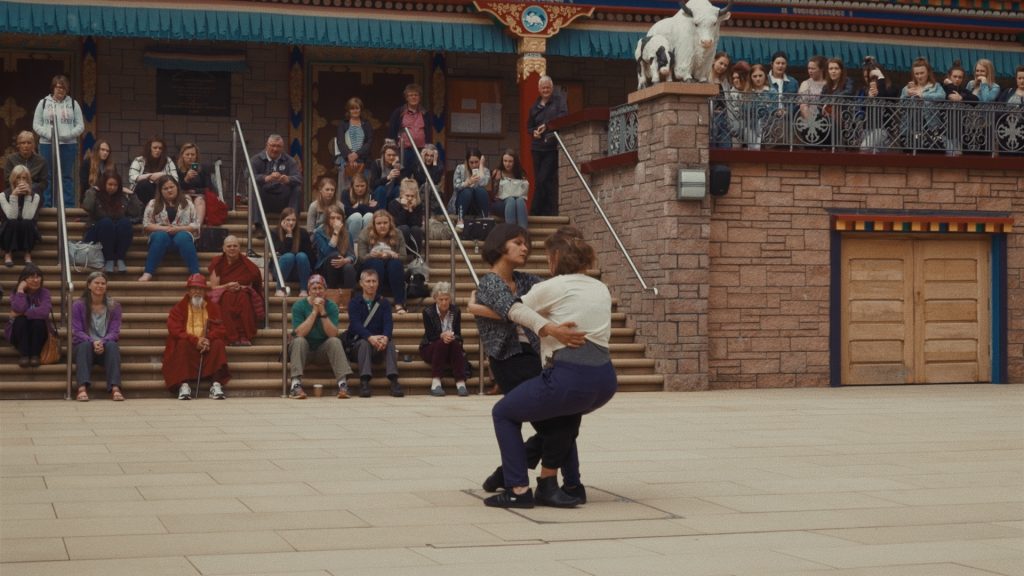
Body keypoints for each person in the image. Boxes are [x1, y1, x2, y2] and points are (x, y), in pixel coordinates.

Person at [482, 226, 615, 509]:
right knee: (564, 420)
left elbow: (513, 309)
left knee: (503, 413)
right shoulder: (601, 288)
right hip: (604, 380)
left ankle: (518, 489)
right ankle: (570, 485)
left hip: (570, 376)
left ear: (555, 258)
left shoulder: (550, 287)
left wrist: (473, 307)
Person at [163, 273, 229, 400]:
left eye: (200, 289)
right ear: (188, 291)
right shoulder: (178, 308)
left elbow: (221, 328)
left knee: (219, 343)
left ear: (205, 291)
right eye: (194, 288)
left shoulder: (213, 308)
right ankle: (184, 385)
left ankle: (216, 384)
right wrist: (195, 340)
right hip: (188, 345)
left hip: (206, 345)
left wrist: (207, 340)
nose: (197, 292)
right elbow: (174, 330)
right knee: (181, 343)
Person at [287, 274, 354, 399]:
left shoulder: (332, 306)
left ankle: (343, 384)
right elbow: (299, 333)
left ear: (325, 291)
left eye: (320, 288)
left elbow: (333, 334)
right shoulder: (299, 306)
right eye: (314, 288)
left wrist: (322, 312)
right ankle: (295, 385)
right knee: (299, 341)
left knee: (335, 341)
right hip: (303, 351)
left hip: (323, 351)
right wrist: (314, 312)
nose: (317, 292)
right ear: (309, 291)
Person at [347, 269, 403, 398]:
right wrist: (369, 337)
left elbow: (388, 323)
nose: (371, 284)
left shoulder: (384, 303)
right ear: (361, 284)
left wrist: (385, 337)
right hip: (359, 345)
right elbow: (355, 325)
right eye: (368, 281)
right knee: (364, 343)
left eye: (374, 281)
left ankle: (394, 381)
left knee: (389, 343)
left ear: (378, 283)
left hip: (379, 345)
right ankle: (364, 381)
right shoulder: (354, 303)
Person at [71, 271, 124, 402]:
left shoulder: (114, 306)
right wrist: (92, 342)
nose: (100, 286)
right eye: (96, 283)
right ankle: (82, 388)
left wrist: (103, 342)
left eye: (103, 283)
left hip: (104, 347)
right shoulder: (78, 305)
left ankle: (115, 388)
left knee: (112, 345)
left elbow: (114, 331)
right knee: (84, 345)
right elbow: (76, 331)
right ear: (89, 285)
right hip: (84, 347)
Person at [32, 74, 83, 208]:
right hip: (47, 144)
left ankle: (68, 206)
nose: (60, 90)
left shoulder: (73, 104)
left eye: (63, 88)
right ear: (53, 88)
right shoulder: (43, 103)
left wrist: (68, 135)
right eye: (58, 87)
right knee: (47, 175)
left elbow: (80, 126)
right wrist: (49, 134)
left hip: (68, 145)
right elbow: (36, 125)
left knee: (66, 176)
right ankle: (47, 205)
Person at [139, 175, 200, 282]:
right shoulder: (153, 203)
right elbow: (146, 225)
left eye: (171, 187)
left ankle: (196, 274)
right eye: (165, 188)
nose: (169, 190)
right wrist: (165, 229)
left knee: (183, 236)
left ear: (177, 187)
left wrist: (178, 229)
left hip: (182, 236)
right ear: (160, 191)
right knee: (160, 236)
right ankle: (148, 273)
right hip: (161, 237)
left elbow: (195, 225)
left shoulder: (188, 203)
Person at [81, 170, 141, 274]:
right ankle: (109, 259)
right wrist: (92, 191)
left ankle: (120, 258)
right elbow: (87, 207)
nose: (112, 187)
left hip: (116, 234)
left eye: (115, 185)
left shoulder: (121, 197)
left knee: (125, 223)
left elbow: (135, 212)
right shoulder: (95, 194)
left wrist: (132, 194)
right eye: (110, 184)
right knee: (106, 223)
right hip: (97, 233)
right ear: (104, 183)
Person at [208, 235, 262, 346]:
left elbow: (255, 280)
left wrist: (241, 287)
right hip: (224, 293)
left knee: (243, 297)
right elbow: (213, 287)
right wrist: (227, 286)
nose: (232, 248)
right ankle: (231, 336)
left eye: (235, 246)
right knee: (228, 297)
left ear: (239, 248)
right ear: (223, 248)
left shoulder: (247, 264)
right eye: (229, 246)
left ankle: (244, 335)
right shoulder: (217, 262)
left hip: (242, 292)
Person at [527, 75, 567, 216]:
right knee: (542, 181)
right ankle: (549, 211)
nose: (546, 90)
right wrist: (534, 133)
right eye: (543, 88)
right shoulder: (534, 107)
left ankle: (535, 210)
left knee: (544, 178)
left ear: (552, 88)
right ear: (539, 89)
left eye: (548, 87)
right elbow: (529, 127)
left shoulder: (559, 101)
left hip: (551, 146)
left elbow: (563, 117)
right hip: (537, 148)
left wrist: (547, 125)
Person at [419, 281, 468, 397]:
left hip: (451, 348)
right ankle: (436, 382)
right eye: (441, 299)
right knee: (441, 343)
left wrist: (452, 337)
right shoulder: (428, 312)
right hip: (430, 348)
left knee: (455, 343)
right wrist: (442, 335)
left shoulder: (456, 311)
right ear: (435, 298)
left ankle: (460, 382)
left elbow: (459, 334)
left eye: (446, 299)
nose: (444, 302)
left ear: (450, 298)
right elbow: (430, 336)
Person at [356, 210, 408, 315]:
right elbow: (361, 258)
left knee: (396, 263)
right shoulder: (365, 233)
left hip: (391, 267)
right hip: (371, 265)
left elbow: (404, 257)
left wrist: (392, 254)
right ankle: (376, 301)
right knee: (377, 263)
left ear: (390, 223)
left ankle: (399, 303)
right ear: (374, 225)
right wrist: (371, 255)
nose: (382, 226)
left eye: (385, 223)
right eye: (379, 223)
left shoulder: (397, 233)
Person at [250, 134, 302, 229]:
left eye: (278, 146)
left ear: (282, 148)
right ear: (267, 145)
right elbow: (248, 176)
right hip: (264, 200)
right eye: (272, 145)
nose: (275, 149)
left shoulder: (290, 160)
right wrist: (266, 178)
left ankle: (291, 223)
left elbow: (299, 178)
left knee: (297, 188)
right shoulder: (256, 160)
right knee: (254, 186)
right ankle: (258, 226)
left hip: (283, 201)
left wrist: (288, 179)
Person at [5, 263, 51, 368]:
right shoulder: (16, 293)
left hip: (39, 334)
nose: (36, 280)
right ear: (24, 279)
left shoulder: (45, 293)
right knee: (20, 321)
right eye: (31, 277)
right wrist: (21, 290)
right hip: (19, 335)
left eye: (38, 276)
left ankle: (35, 355)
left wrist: (23, 313)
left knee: (38, 322)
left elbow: (44, 312)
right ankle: (24, 355)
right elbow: (18, 308)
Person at [312, 205, 358, 308]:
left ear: (342, 220)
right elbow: (327, 252)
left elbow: (352, 256)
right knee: (334, 256)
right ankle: (331, 297)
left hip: (342, 266)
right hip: (325, 267)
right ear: (327, 220)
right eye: (332, 218)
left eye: (338, 218)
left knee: (349, 268)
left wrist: (346, 260)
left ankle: (350, 301)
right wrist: (336, 233)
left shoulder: (347, 234)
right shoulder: (319, 233)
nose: (335, 221)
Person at [901, 57, 946, 152]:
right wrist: (906, 95)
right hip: (911, 125)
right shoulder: (907, 88)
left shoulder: (935, 86)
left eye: (922, 73)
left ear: (928, 73)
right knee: (911, 153)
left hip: (931, 125)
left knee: (934, 152)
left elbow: (942, 96)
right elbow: (901, 106)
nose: (919, 76)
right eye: (916, 74)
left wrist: (923, 95)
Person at [1, 165, 42, 268]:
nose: (21, 181)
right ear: (13, 179)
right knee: (12, 221)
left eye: (24, 178)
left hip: (27, 229)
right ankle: (8, 253)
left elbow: (28, 216)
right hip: (9, 230)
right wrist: (14, 196)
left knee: (27, 222)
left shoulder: (35, 196)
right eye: (18, 178)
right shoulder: (3, 196)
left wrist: (28, 196)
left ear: (28, 180)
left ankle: (27, 254)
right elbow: (11, 216)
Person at [857, 56, 900, 153]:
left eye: (873, 77)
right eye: (866, 77)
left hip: (883, 128)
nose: (869, 80)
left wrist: (880, 78)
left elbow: (883, 98)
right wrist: (868, 98)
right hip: (867, 128)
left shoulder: (892, 88)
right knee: (875, 153)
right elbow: (859, 108)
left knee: (865, 148)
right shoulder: (864, 90)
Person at [388, 83, 434, 170]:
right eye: (411, 95)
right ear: (406, 98)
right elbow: (392, 132)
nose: (413, 97)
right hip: (404, 151)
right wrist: (393, 150)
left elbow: (428, 132)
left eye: (416, 95)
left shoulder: (425, 113)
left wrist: (428, 148)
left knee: (421, 176)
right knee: (403, 176)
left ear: (420, 97)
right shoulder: (399, 112)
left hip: (421, 150)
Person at [273, 207, 314, 297]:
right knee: (289, 256)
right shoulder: (275, 232)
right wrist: (289, 234)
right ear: (282, 220)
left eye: (293, 220)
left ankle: (304, 290)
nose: (291, 223)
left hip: (299, 272)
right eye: (288, 220)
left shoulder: (303, 233)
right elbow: (282, 252)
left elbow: (310, 257)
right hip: (281, 270)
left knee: (302, 256)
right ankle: (279, 289)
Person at [336, 96, 374, 192]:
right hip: (346, 161)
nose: (355, 111)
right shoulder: (343, 124)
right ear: (348, 110)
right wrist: (349, 156)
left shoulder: (366, 124)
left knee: (363, 189)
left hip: (363, 161)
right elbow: (340, 142)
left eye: (357, 108)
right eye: (352, 108)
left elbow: (369, 142)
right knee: (345, 190)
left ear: (360, 109)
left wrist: (357, 155)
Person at [128, 136, 178, 207]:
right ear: (149, 148)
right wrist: (150, 176)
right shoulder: (139, 160)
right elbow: (132, 178)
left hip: (161, 190)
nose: (157, 150)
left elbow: (175, 179)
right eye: (155, 148)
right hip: (141, 193)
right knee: (144, 184)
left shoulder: (168, 161)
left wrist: (162, 175)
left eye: (160, 148)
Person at [489, 149, 529, 229]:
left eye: (510, 161)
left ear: (515, 162)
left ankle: (523, 232)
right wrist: (496, 181)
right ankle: (511, 232)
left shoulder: (520, 173)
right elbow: (491, 193)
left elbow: (524, 192)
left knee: (520, 200)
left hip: (517, 202)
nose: (507, 164)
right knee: (510, 200)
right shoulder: (497, 172)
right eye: (505, 161)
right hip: (499, 203)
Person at [176, 142, 211, 227]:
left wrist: (194, 190)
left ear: (196, 156)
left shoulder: (203, 169)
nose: (190, 157)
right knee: (187, 199)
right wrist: (186, 179)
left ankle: (197, 227)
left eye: (193, 154)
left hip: (199, 195)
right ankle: (187, 226)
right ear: (182, 156)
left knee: (199, 200)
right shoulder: (177, 170)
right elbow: (176, 187)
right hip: (183, 195)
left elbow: (209, 187)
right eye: (187, 154)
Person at [4, 131, 48, 197]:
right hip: (14, 191)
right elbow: (7, 180)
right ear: (18, 145)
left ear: (33, 145)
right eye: (23, 143)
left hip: (33, 194)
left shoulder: (41, 161)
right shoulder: (11, 159)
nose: (26, 145)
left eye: (29, 143)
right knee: (3, 195)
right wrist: (20, 187)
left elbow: (44, 183)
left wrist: (29, 187)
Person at [452, 147, 490, 221]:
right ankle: (460, 219)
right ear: (467, 161)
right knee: (467, 191)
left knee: (480, 190)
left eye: (476, 162)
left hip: (477, 204)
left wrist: (481, 166)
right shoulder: (460, 168)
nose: (474, 165)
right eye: (471, 162)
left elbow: (484, 183)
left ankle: (485, 219)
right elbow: (456, 186)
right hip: (462, 202)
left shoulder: (485, 171)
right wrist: (467, 183)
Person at [388, 178, 425, 252]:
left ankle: (416, 257)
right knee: (404, 228)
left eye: (412, 196)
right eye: (407, 195)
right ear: (401, 194)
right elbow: (397, 223)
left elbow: (417, 223)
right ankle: (401, 255)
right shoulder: (393, 204)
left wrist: (411, 209)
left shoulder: (418, 205)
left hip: (413, 237)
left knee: (416, 229)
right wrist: (404, 209)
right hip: (398, 237)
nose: (410, 198)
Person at [341, 173, 378, 245]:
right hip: (350, 223)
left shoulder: (371, 194)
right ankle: (353, 244)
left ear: (366, 186)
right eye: (357, 186)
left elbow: (375, 212)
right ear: (352, 186)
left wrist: (359, 206)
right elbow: (347, 211)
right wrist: (367, 207)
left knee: (369, 215)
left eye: (362, 186)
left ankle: (367, 243)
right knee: (357, 216)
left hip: (365, 222)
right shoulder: (345, 193)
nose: (360, 189)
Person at [410, 143, 445, 212]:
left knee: (431, 187)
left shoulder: (439, 165)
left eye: (432, 156)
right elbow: (421, 179)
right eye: (426, 155)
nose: (429, 158)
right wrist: (422, 162)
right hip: (419, 191)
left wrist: (434, 163)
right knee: (426, 186)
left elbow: (435, 181)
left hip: (433, 194)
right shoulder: (417, 164)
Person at [369, 141, 403, 208]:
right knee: (381, 189)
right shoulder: (377, 164)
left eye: (393, 155)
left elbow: (401, 184)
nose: (391, 157)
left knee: (398, 189)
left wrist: (396, 167)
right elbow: (373, 184)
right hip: (379, 194)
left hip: (391, 193)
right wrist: (388, 177)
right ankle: (381, 214)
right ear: (383, 155)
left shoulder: (398, 165)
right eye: (389, 155)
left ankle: (396, 214)